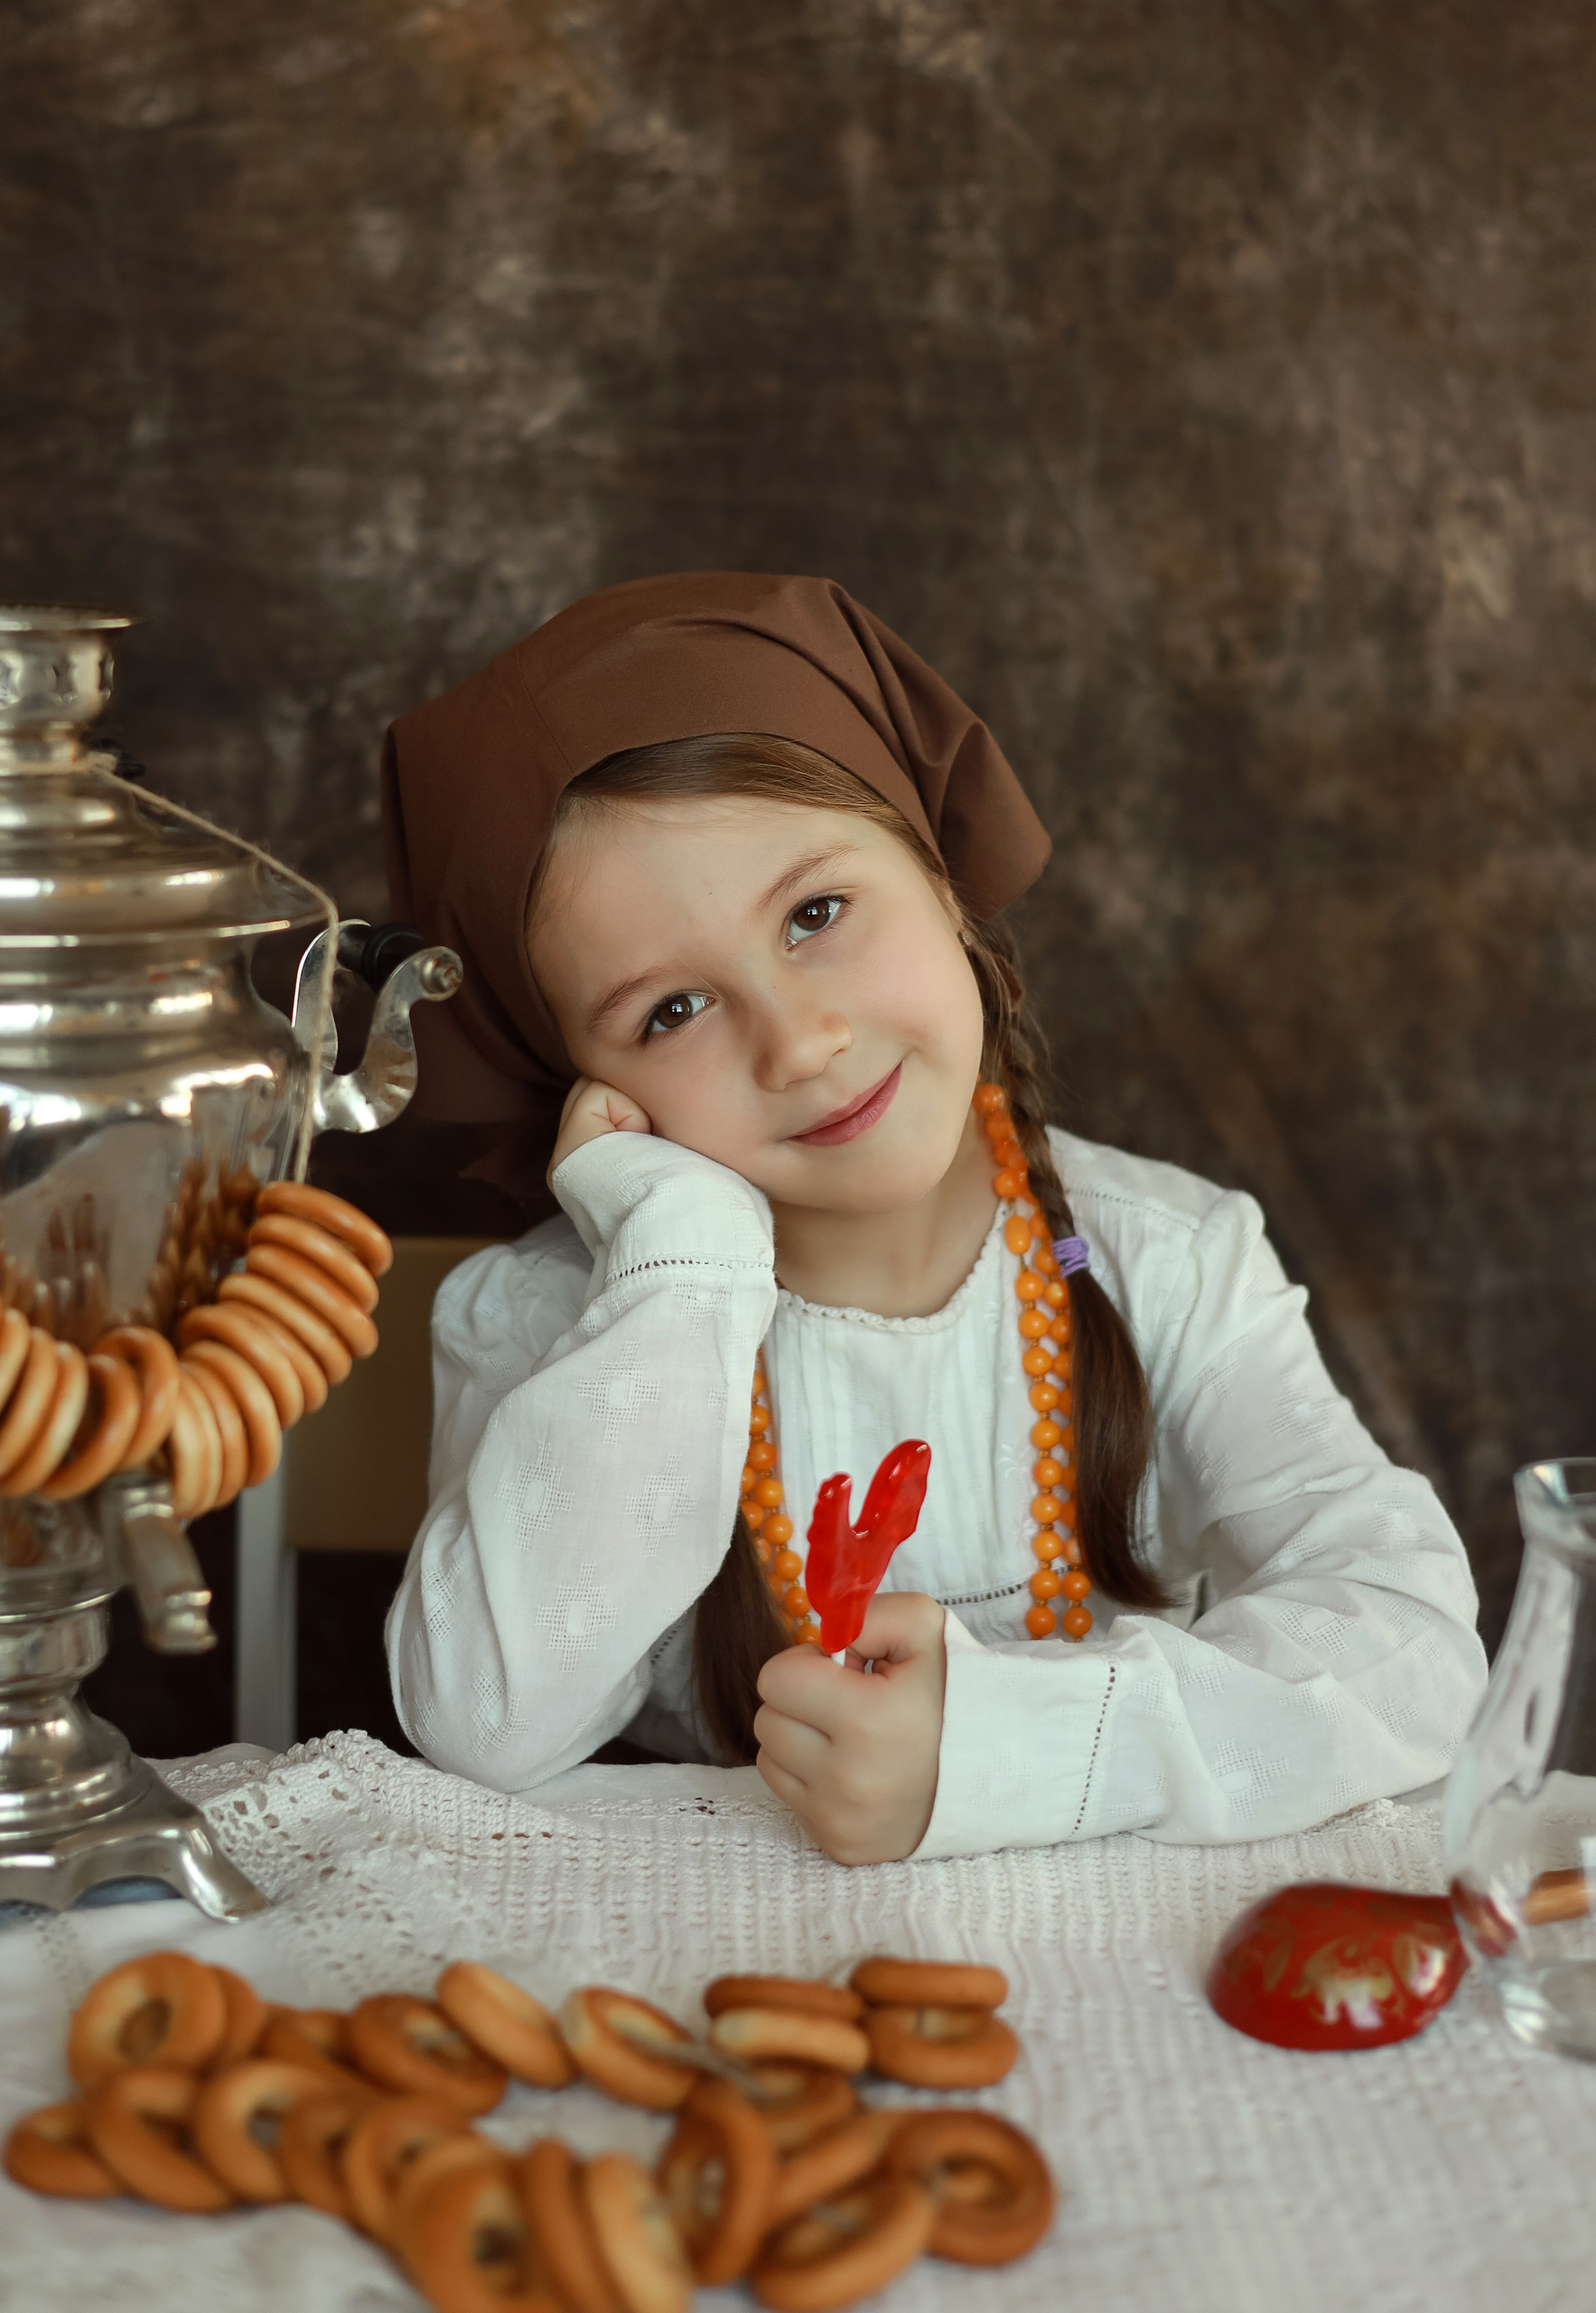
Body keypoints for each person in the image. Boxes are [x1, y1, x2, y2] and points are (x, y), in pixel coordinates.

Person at [380, 572, 1486, 1864]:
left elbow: (1406, 1639)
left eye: (813, 915)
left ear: (942, 881)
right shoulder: (543, 1320)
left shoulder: (1160, 1262)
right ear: (581, 1086)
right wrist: (684, 1270)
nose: (798, 1044)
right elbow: (487, 1728)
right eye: (667, 1013)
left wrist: (1012, 1749)